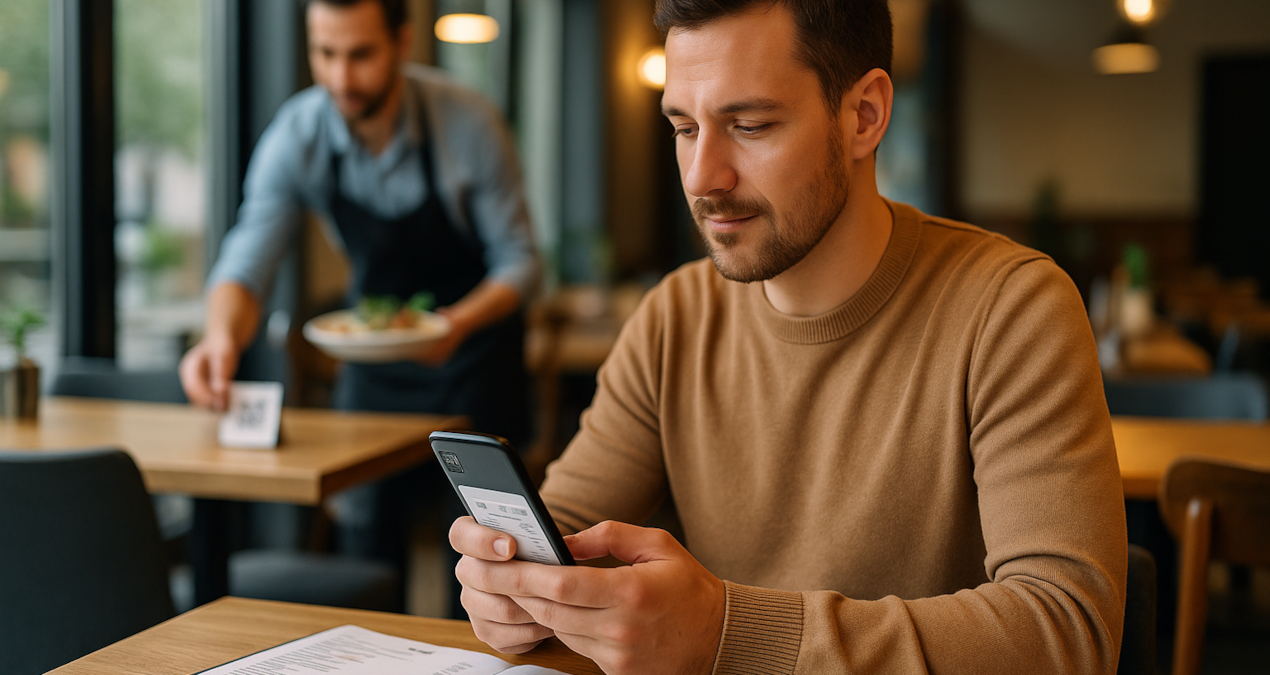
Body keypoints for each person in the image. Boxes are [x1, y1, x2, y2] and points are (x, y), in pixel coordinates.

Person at [449, 1, 1128, 673]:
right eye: (684, 127)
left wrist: (727, 629)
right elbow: (563, 532)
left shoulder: (1012, 309)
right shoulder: (674, 318)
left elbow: (1064, 631)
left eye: (748, 125)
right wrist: (508, 585)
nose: (700, 177)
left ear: (864, 115)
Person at [180, 0, 538, 577]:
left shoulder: (467, 122)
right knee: (367, 557)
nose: (341, 78)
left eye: (361, 55)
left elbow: (520, 263)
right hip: (375, 375)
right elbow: (246, 262)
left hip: (472, 362)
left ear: (402, 41)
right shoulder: (299, 133)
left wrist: (457, 324)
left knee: (488, 564)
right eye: (325, 54)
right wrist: (219, 338)